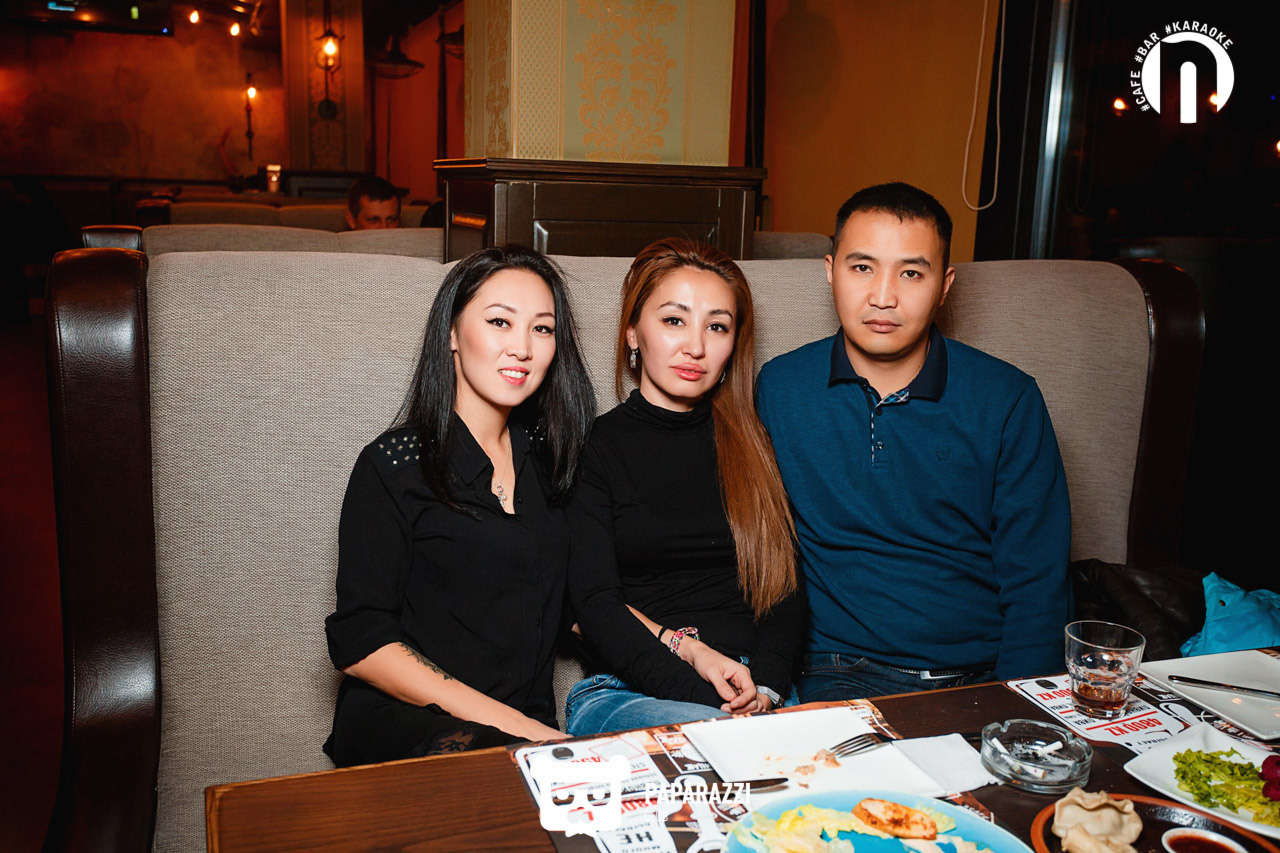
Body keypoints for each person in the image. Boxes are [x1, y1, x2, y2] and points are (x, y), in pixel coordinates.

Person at [755, 182, 1071, 702]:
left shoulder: (1008, 398)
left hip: (985, 671)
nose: (883, 297)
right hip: (840, 670)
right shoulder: (780, 387)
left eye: (911, 273)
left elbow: (1038, 580)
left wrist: (1015, 705)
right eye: (862, 267)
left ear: (944, 285)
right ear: (830, 271)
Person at [323, 245, 594, 766]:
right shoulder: (394, 465)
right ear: (451, 332)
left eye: (542, 329)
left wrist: (682, 649)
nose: (522, 348)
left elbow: (579, 605)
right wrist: (521, 729)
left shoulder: (554, 461)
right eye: (499, 322)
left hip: (528, 730)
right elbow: (362, 643)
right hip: (408, 723)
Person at [565, 238, 806, 736]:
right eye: (674, 320)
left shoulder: (755, 444)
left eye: (716, 326)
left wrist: (765, 688)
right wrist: (712, 703)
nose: (695, 347)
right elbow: (595, 606)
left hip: (756, 692)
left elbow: (784, 590)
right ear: (633, 333)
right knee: (722, 749)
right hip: (630, 689)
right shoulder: (594, 448)